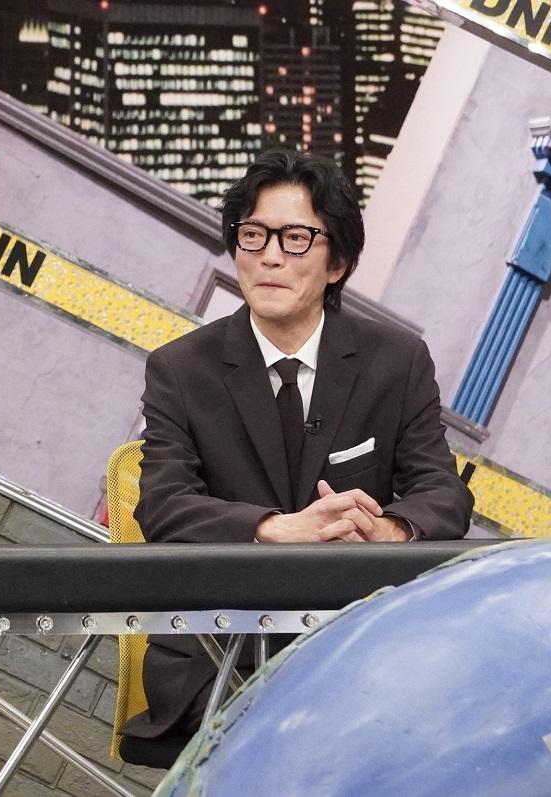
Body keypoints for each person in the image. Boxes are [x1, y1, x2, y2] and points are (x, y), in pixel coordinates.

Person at [128, 149, 473, 740]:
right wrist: (274, 528)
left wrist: (388, 530)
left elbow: (443, 492)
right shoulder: (181, 370)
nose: (268, 256)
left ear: (338, 263)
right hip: (219, 654)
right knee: (290, 738)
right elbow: (163, 505)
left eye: (295, 239)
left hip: (352, 649)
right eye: (253, 235)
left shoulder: (396, 362)